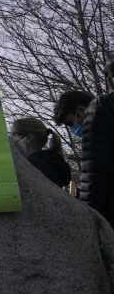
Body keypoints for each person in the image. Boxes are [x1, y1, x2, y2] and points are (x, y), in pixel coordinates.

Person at [55, 89, 113, 225]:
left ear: (80, 110)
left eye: (70, 123)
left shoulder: (96, 127)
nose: (72, 129)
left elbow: (96, 174)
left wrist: (85, 213)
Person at [10, 117, 72, 189]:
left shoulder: (32, 167)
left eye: (14, 134)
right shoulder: (51, 161)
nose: (11, 138)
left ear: (29, 137)